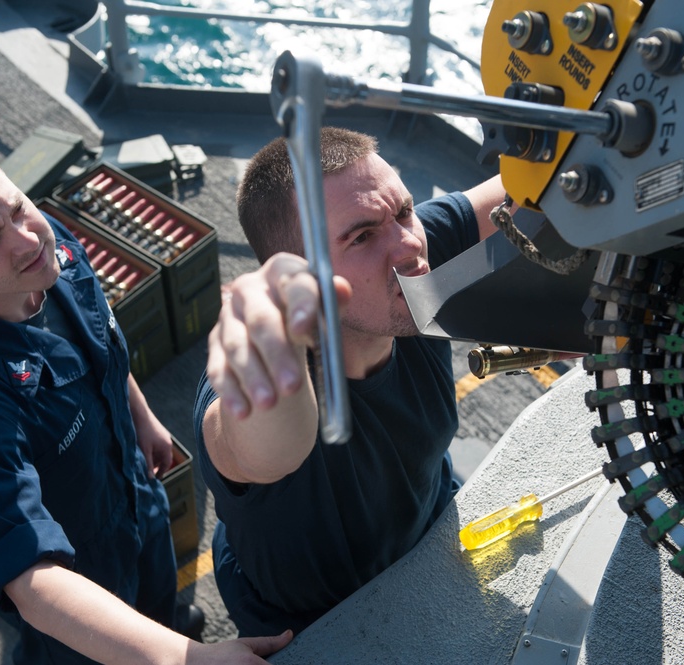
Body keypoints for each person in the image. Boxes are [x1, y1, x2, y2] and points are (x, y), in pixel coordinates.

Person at [0, 139, 292, 665]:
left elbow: (100, 340)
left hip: (133, 494)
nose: (26, 239)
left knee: (159, 601)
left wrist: (140, 416)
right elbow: (34, 583)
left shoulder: (48, 250)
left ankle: (164, 623)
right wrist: (186, 660)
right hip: (77, 585)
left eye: (17, 207)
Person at [196, 126, 512, 637]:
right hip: (320, 627)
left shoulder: (404, 260)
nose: (409, 245)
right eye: (361, 236)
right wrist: (273, 352)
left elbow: (537, 188)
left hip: (429, 534)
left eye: (406, 211)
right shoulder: (246, 392)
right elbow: (265, 449)